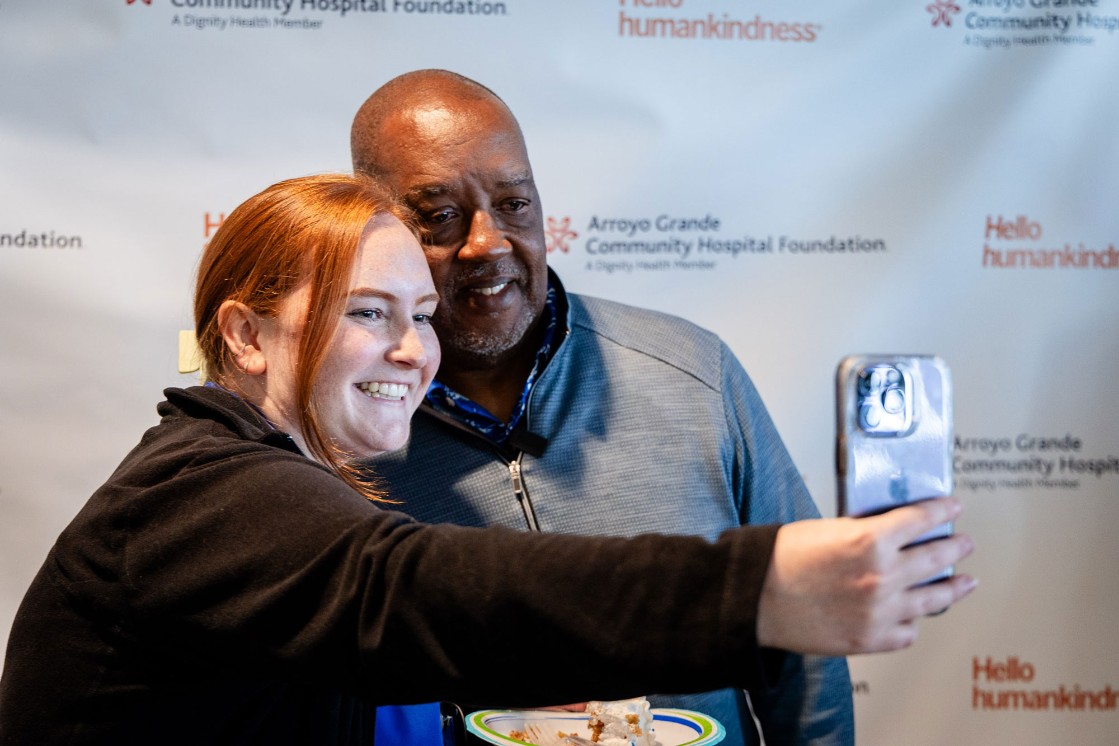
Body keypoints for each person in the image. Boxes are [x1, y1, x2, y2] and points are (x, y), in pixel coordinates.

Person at [0, 173, 975, 745]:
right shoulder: (202, 488)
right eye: (368, 312)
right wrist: (755, 587)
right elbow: (407, 592)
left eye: (419, 316)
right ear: (246, 335)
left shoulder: (260, 471)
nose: (413, 350)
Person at [348, 69, 955, 745]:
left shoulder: (693, 370)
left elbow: (804, 649)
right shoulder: (342, 432)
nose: (487, 242)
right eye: (438, 216)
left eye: (514, 203)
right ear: (372, 228)